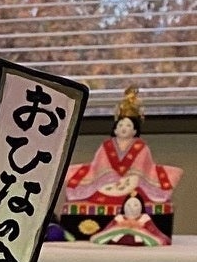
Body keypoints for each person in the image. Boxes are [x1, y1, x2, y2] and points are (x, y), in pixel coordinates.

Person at [62, 85, 182, 214]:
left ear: (135, 130)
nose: (124, 128)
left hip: (134, 180)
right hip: (107, 179)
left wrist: (129, 176)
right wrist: (112, 176)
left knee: (137, 191)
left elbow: (143, 170)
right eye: (120, 125)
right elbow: (99, 167)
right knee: (98, 191)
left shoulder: (141, 147)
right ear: (115, 129)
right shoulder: (107, 146)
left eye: (128, 125)